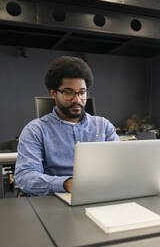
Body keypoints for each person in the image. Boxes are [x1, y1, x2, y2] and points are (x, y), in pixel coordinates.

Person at [14, 56, 119, 196]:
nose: (77, 99)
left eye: (82, 92)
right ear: (53, 93)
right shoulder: (35, 130)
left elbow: (119, 166)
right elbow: (25, 177)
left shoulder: (103, 126)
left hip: (99, 195)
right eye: (68, 92)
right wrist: (66, 184)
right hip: (55, 201)